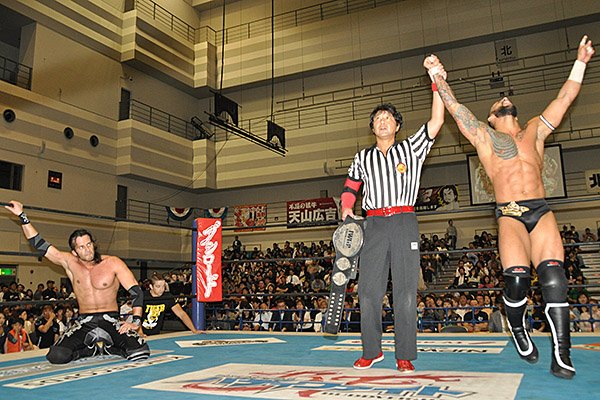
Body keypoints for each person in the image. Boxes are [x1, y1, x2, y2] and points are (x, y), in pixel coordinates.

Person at [425, 35, 594, 379]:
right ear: (491, 118)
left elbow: (565, 97)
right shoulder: (485, 137)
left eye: (506, 98)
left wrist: (581, 61)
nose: (504, 99)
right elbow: (456, 109)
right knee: (517, 280)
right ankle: (517, 327)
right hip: (510, 212)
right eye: (497, 103)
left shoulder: (535, 130)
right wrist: (436, 76)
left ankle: (562, 353)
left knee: (554, 278)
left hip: (540, 209)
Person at [340, 56, 445, 373]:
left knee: (405, 292)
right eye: (377, 118)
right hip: (373, 223)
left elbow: (437, 120)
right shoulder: (362, 157)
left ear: (397, 126)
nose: (382, 121)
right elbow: (351, 185)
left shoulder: (411, 148)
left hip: (403, 222)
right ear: (372, 127)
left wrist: (436, 81)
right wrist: (347, 207)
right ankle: (371, 351)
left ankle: (404, 354)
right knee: (367, 292)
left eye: (388, 117)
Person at [5, 200, 150, 364]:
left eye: (89, 244)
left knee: (140, 352)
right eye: (81, 247)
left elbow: (136, 291)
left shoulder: (113, 262)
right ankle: (91, 350)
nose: (87, 250)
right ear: (74, 252)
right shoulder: (70, 262)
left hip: (110, 319)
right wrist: (22, 216)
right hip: (85, 321)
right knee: (56, 356)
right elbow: (39, 244)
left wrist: (135, 321)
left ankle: (108, 348)